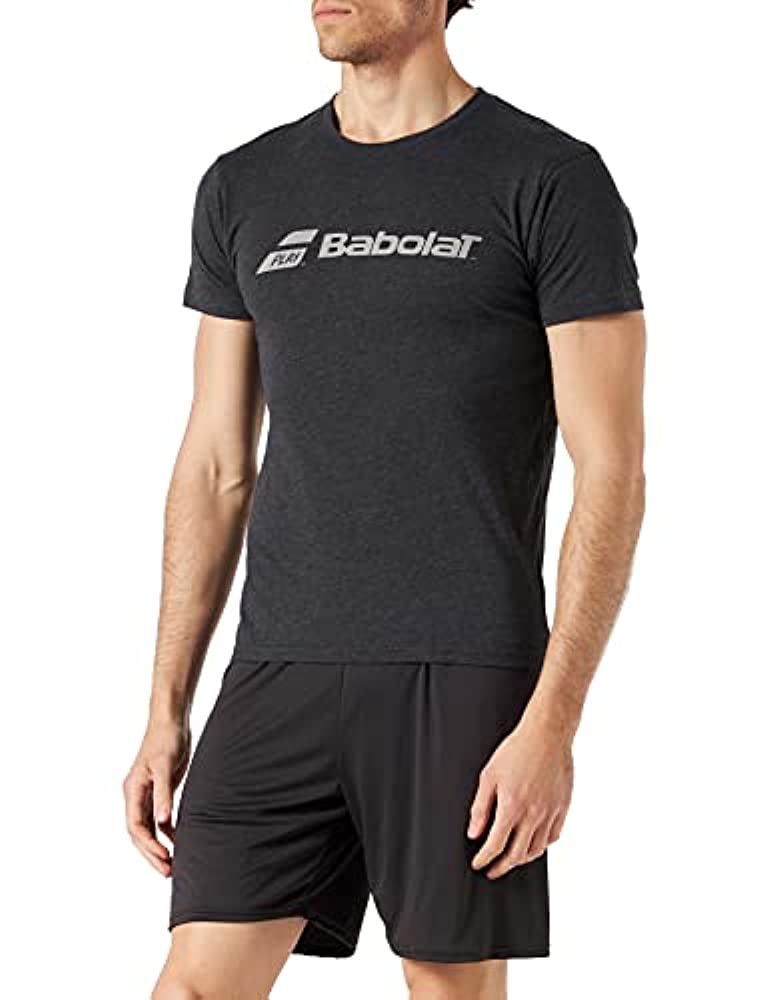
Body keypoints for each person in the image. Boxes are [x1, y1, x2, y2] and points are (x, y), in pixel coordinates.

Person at [123, 1, 647, 996]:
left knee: (447, 985)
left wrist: (551, 722)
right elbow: (215, 463)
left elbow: (611, 469)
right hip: (277, 663)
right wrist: (165, 707)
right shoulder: (245, 184)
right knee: (192, 983)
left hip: (462, 668)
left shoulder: (547, 177)